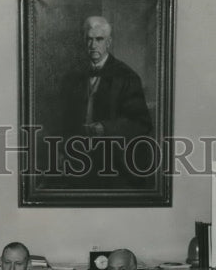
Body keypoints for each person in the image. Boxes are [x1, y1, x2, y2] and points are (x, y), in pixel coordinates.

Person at [58, 15, 153, 188]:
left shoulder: (127, 77)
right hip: (79, 161)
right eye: (89, 39)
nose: (93, 45)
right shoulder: (72, 77)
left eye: (99, 39)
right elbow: (63, 121)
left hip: (114, 164)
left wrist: (105, 128)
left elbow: (142, 124)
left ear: (108, 42)